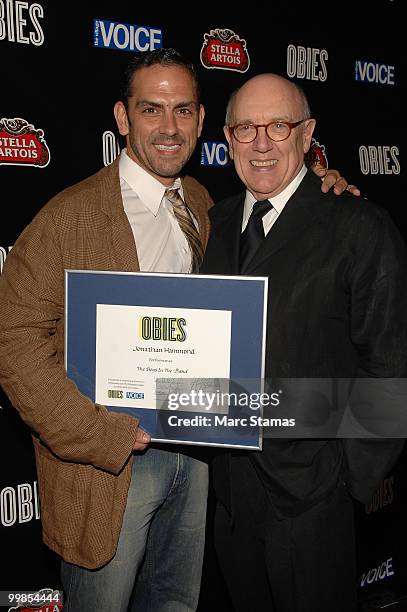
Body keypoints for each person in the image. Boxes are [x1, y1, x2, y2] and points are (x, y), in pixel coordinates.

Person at [0, 49, 358, 612]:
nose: (169, 127)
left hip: (197, 461)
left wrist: (321, 188)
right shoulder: (68, 217)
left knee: (176, 603)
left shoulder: (204, 203)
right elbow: (15, 345)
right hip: (113, 470)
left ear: (200, 120)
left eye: (184, 110)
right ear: (123, 118)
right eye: (152, 110)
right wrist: (105, 435)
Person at [200, 73, 407, 612]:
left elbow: (389, 362)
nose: (262, 142)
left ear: (307, 132)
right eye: (246, 128)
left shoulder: (359, 225)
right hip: (230, 502)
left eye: (279, 125)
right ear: (227, 138)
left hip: (313, 503)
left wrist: (343, 480)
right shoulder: (215, 225)